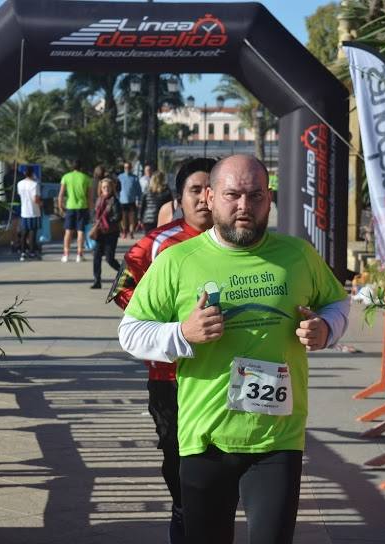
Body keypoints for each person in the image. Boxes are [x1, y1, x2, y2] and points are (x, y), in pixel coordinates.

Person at [118, 154, 350, 544]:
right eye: (233, 195)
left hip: (276, 437)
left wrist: (327, 328)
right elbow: (131, 333)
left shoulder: (297, 254)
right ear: (210, 196)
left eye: (256, 195)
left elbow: (339, 302)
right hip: (205, 438)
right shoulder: (176, 261)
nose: (245, 206)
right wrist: (182, 333)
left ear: (269, 198)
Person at [109, 157, 216, 543]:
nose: (204, 199)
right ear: (179, 197)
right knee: (177, 456)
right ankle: (184, 518)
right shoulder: (155, 245)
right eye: (194, 191)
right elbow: (123, 292)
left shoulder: (242, 241)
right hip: (170, 376)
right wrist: (175, 328)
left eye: (210, 190)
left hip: (227, 375)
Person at [58, 160, 93, 263]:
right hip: (82, 207)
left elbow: (61, 193)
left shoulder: (66, 177)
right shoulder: (86, 178)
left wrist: (60, 205)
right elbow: (90, 196)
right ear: (81, 168)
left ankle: (66, 254)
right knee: (80, 232)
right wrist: (91, 209)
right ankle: (79, 254)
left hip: (70, 206)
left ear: (72, 167)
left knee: (68, 231)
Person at [91, 178, 122, 289]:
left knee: (109, 258)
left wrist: (107, 222)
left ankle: (124, 273)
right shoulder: (99, 200)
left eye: (108, 187)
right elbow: (94, 214)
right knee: (96, 256)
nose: (106, 189)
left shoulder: (115, 201)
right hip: (100, 232)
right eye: (104, 187)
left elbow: (118, 217)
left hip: (111, 232)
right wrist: (96, 223)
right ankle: (97, 280)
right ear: (101, 189)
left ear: (112, 188)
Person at [17, 166, 43, 261]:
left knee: (24, 233)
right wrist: (41, 204)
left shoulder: (19, 184)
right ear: (32, 173)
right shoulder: (34, 184)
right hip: (34, 212)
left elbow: (20, 195)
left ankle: (23, 252)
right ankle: (32, 252)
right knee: (33, 232)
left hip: (24, 211)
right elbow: (36, 199)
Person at [117, 161, 141, 239]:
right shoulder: (120, 177)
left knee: (132, 219)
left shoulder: (135, 178)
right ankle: (124, 232)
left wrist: (138, 200)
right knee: (123, 219)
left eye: (128, 167)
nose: (127, 169)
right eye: (125, 167)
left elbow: (138, 190)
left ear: (131, 168)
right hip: (122, 201)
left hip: (132, 201)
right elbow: (116, 189)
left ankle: (131, 232)